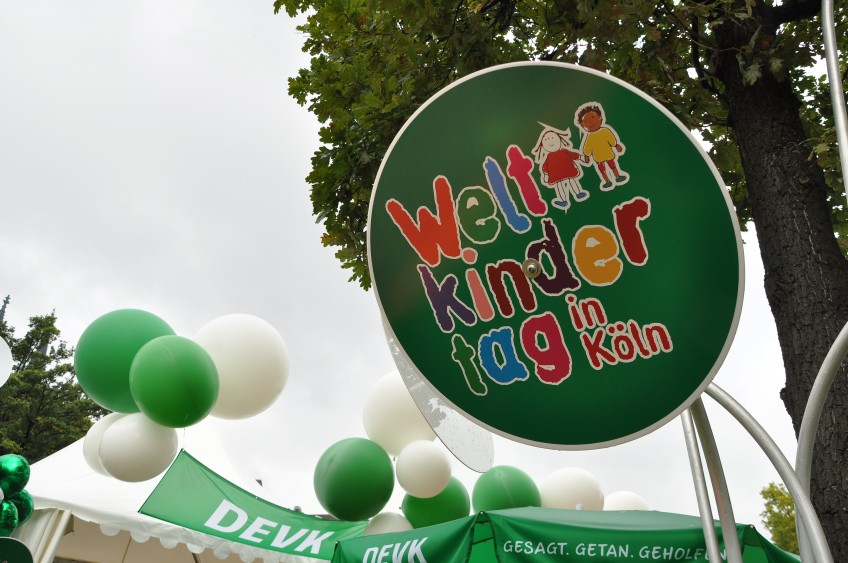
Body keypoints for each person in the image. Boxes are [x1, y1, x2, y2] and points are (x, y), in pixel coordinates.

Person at [531, 125, 589, 210]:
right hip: (556, 175)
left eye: (552, 138)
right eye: (546, 140)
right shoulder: (548, 157)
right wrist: (546, 176)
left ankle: (578, 193)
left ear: (559, 139)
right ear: (543, 145)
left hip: (568, 170)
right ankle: (563, 200)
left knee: (571, 181)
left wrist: (582, 158)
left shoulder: (564, 151)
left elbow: (574, 155)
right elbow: (545, 168)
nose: (550, 141)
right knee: (559, 185)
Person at [575, 103, 629, 191]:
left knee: (613, 166)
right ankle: (607, 181)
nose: (590, 123)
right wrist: (586, 156)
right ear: (582, 125)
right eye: (586, 122)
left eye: (593, 118)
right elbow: (587, 148)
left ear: (600, 118)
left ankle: (617, 176)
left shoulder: (605, 131)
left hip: (608, 155)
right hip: (598, 158)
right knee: (602, 170)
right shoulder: (590, 137)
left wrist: (616, 145)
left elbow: (611, 139)